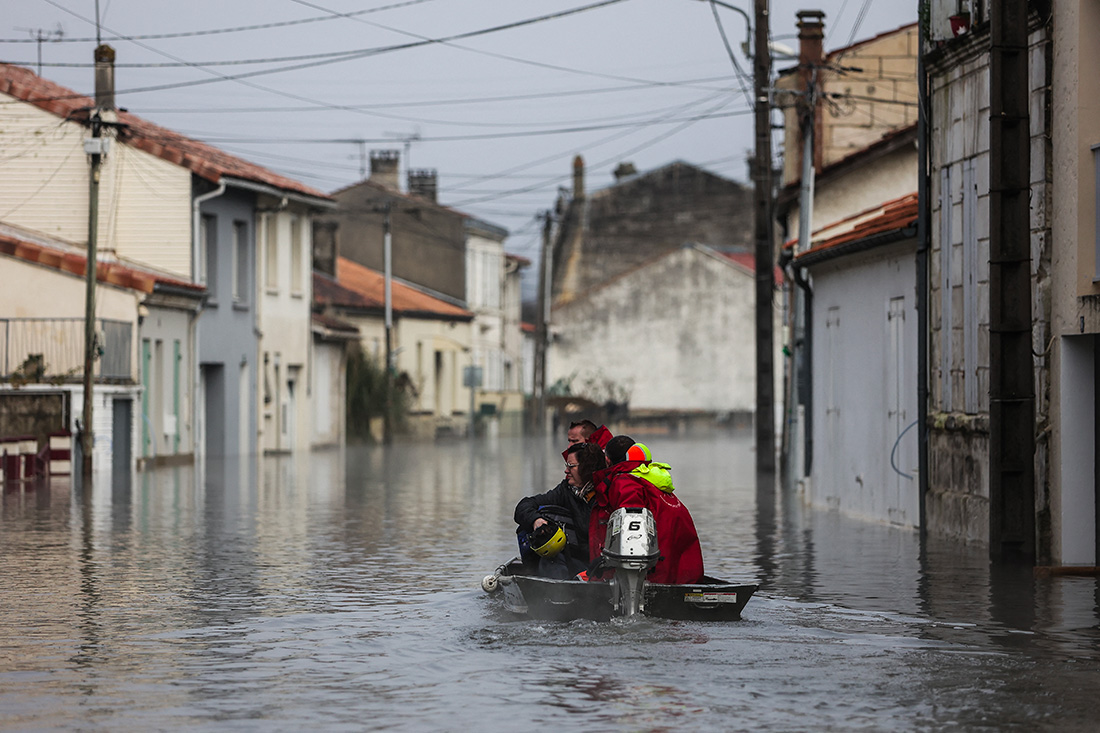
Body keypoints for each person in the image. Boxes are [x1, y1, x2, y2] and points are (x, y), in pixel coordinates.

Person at [588, 435, 704, 584]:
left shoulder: (624, 483)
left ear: (607, 460)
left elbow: (631, 530)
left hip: (656, 571)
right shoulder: (652, 479)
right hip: (685, 570)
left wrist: (605, 561)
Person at [513, 420, 611, 578]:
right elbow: (524, 505)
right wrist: (536, 520)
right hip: (577, 563)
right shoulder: (565, 490)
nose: (566, 471)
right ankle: (557, 590)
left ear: (586, 468)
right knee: (550, 558)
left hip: (604, 566)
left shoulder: (610, 491)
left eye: (571, 466)